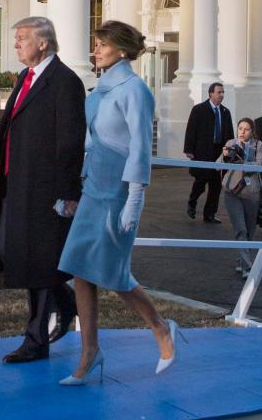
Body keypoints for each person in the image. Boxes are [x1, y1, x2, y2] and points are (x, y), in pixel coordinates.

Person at [57, 21, 177, 386]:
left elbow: (141, 147)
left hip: (119, 193)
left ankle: (160, 329)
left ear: (122, 50)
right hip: (93, 188)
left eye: (102, 44)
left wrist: (135, 200)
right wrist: (72, 192)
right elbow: (90, 142)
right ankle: (90, 351)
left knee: (114, 273)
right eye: (95, 43)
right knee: (79, 268)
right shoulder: (100, 89)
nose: (95, 49)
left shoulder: (135, 90)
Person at [0, 16, 85, 364]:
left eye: (22, 38)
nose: (16, 44)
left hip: (46, 189)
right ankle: (65, 300)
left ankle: (36, 339)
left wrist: (67, 193)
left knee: (39, 261)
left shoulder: (65, 82)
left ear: (43, 43)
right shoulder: (26, 78)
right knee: (6, 249)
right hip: (16, 183)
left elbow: (70, 141)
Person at [218, 118, 262, 279]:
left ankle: (240, 261)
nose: (242, 132)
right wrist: (226, 156)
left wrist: (243, 161)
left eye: (246, 129)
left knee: (250, 230)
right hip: (232, 191)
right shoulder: (231, 142)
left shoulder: (258, 145)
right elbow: (218, 164)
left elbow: (261, 164)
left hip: (251, 192)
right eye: (240, 128)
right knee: (241, 229)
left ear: (252, 131)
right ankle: (247, 266)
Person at [183, 82, 233, 223]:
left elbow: (229, 133)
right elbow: (191, 130)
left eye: (223, 92)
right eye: (219, 92)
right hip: (202, 152)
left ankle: (209, 214)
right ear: (211, 93)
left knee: (216, 186)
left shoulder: (225, 112)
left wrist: (230, 149)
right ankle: (192, 203)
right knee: (200, 181)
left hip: (219, 153)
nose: (222, 95)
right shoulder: (199, 109)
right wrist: (189, 150)